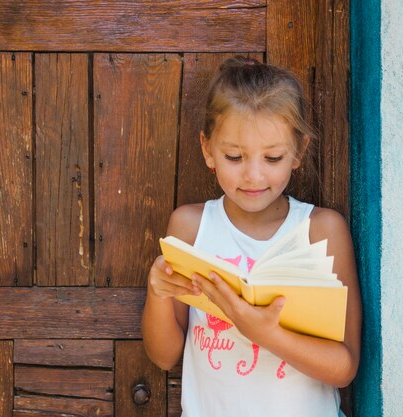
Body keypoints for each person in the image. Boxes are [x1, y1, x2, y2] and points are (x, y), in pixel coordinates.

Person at [141, 56, 362, 417]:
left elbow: (344, 368)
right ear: (207, 149)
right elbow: (164, 356)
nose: (254, 176)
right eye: (234, 156)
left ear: (298, 152)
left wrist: (264, 333)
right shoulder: (191, 227)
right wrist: (157, 292)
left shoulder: (322, 231)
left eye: (273, 158)